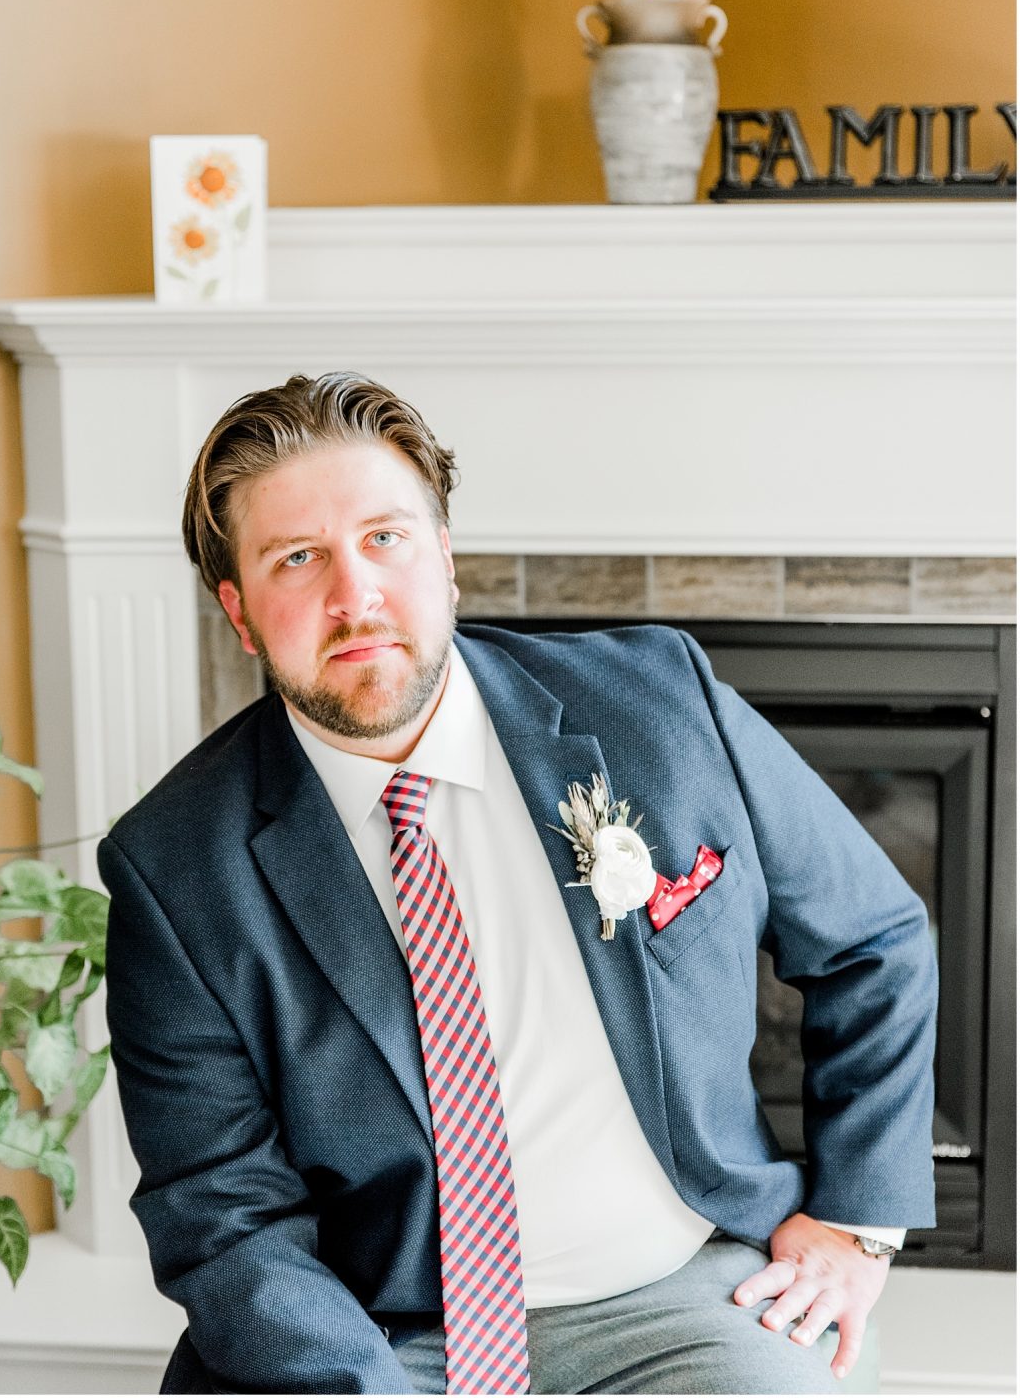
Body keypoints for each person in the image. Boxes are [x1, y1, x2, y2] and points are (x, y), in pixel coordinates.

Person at [97, 371, 937, 1397]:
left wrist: (857, 1220)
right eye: (296, 557)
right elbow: (221, 1210)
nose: (352, 593)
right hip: (378, 1325)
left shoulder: (659, 702)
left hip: (687, 1295)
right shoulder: (174, 864)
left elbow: (874, 937)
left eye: (386, 537)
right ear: (239, 611)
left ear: (446, 559)